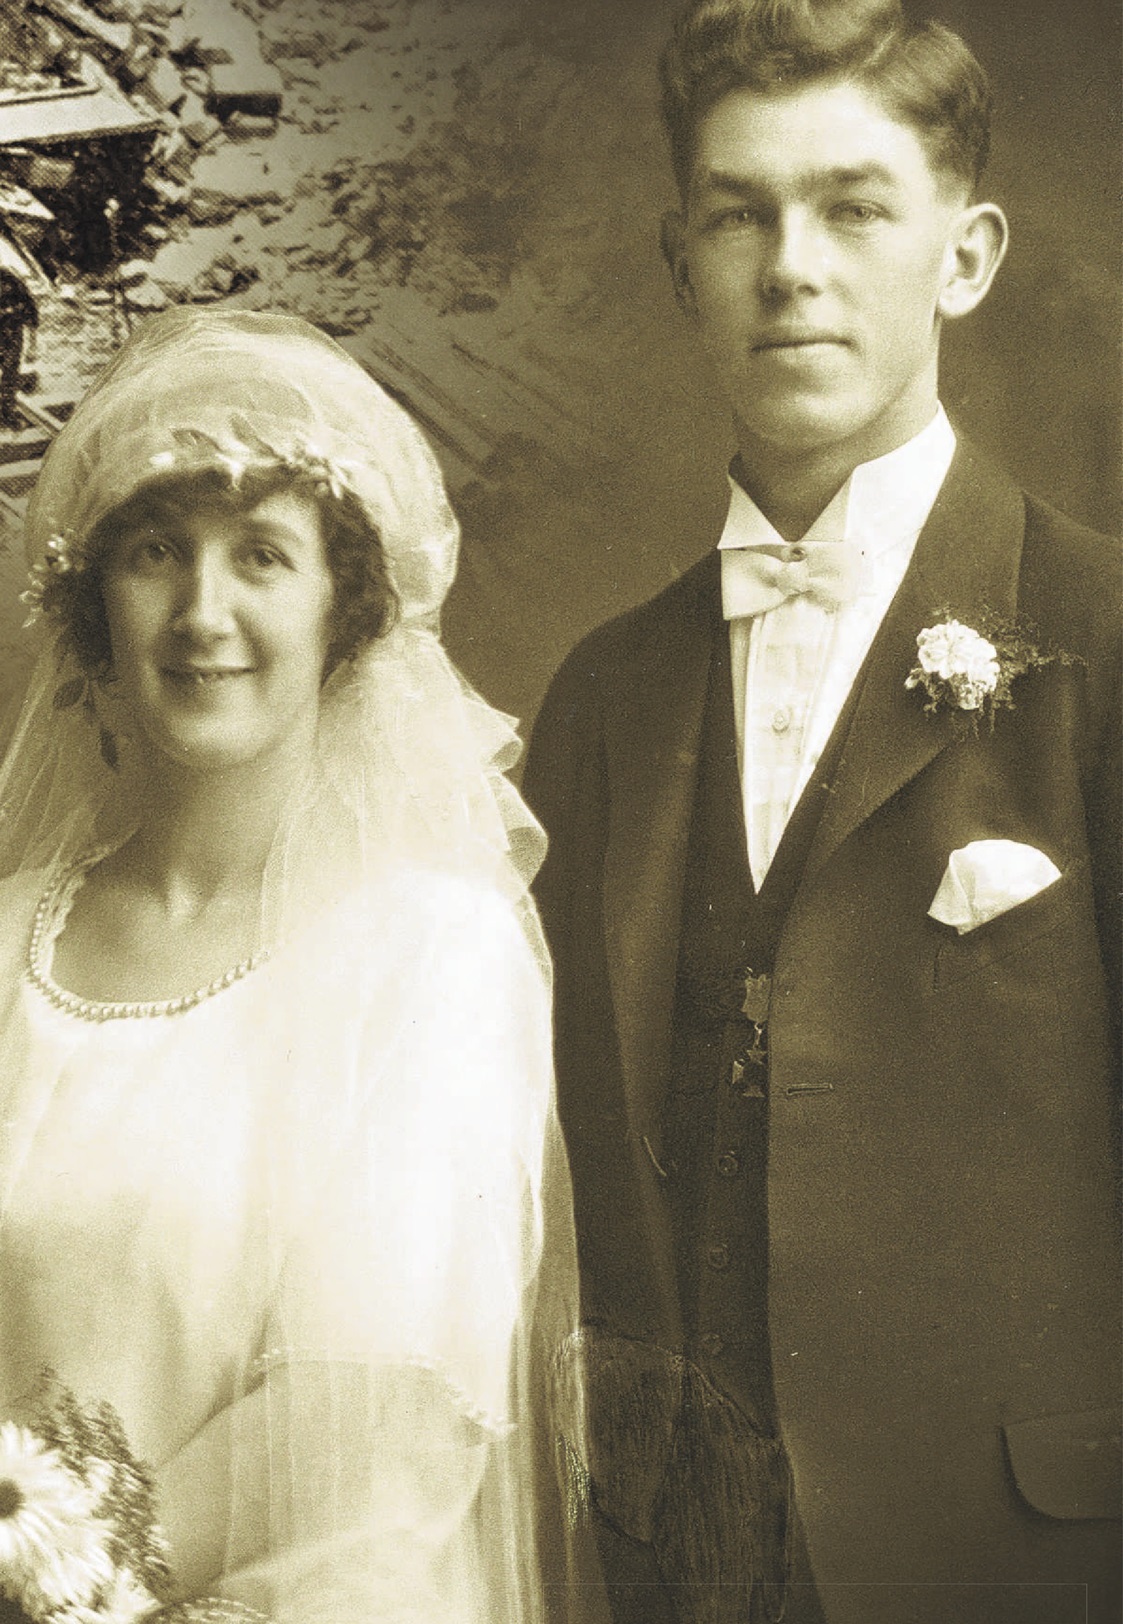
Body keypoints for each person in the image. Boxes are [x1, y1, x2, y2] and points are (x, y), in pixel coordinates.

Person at [523, 3, 1121, 1623]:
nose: (789, 263)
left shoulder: (1096, 633)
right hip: (678, 1563)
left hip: (1024, 1550)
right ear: (678, 256)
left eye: (853, 205)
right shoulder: (596, 696)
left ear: (965, 253)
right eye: (737, 212)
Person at [0, 306, 592, 1621]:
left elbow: (371, 1415)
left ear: (345, 611)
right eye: (156, 553)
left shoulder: (428, 956)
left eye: (260, 556)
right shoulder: (5, 943)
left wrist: (55, 1576)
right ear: (94, 600)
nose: (202, 612)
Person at [0, 267, 37, 430]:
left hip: (11, 334)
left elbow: (29, 308)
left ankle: (6, 415)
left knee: (10, 376)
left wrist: (33, 345)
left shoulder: (11, 280)